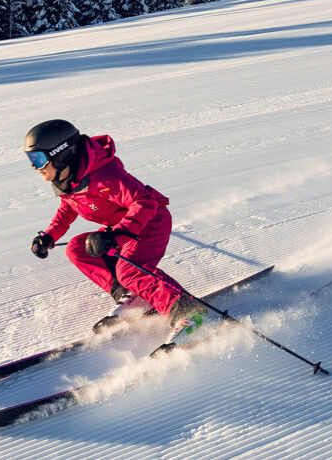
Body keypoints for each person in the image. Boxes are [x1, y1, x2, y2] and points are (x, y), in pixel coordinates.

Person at [23, 119, 213, 347]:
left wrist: (117, 235)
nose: (36, 167)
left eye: (39, 159)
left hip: (150, 223)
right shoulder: (70, 178)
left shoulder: (106, 176)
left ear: (61, 153)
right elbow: (68, 208)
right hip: (120, 228)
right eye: (31, 160)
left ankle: (187, 311)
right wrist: (50, 235)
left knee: (130, 270)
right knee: (77, 249)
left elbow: (144, 201)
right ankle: (135, 296)